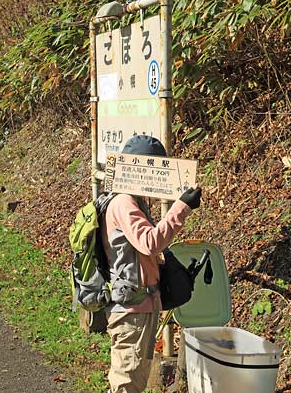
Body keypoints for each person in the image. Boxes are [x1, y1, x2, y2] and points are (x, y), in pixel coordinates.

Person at [100, 135, 202, 393]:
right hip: (132, 311)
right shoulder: (124, 202)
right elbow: (149, 242)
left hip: (138, 307)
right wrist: (182, 208)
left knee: (132, 380)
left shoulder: (133, 200)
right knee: (127, 383)